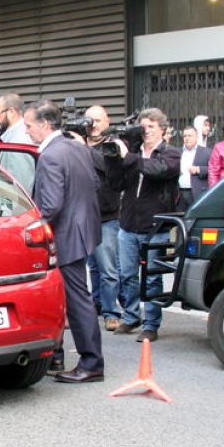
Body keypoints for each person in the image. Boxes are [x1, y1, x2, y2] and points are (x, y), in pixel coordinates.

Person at [24, 101, 105, 383]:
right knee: (70, 297)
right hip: (82, 230)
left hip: (66, 235)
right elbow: (95, 184)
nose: (27, 131)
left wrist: (28, 226)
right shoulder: (76, 147)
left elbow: (50, 206)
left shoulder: (50, 156)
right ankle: (57, 355)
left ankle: (91, 362)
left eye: (29, 126)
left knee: (75, 299)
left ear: (45, 125)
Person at [107, 107, 181, 342]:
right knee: (127, 275)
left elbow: (156, 170)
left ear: (163, 130)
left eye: (151, 126)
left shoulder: (170, 153)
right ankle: (131, 316)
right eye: (143, 126)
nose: (146, 130)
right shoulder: (133, 152)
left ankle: (151, 324)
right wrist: (113, 159)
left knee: (152, 278)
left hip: (156, 227)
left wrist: (128, 157)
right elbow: (116, 184)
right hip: (128, 225)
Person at [84, 105, 124, 333]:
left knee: (108, 268)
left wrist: (84, 149)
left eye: (98, 120)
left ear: (108, 121)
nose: (94, 125)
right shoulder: (79, 143)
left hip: (107, 216)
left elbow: (109, 169)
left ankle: (111, 312)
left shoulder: (113, 144)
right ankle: (96, 304)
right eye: (90, 120)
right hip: (85, 216)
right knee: (93, 267)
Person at [178, 126, 211, 209]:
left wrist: (199, 170)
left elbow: (213, 170)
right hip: (179, 194)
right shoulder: (177, 152)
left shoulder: (206, 152)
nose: (187, 138)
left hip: (197, 193)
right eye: (185, 136)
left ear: (196, 137)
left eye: (190, 136)